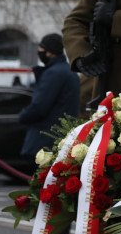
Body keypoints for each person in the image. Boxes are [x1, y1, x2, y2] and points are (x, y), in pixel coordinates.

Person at [19, 33, 80, 161]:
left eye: (41, 48)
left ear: (49, 52)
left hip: (45, 140)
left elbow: (39, 107)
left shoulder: (52, 73)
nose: (38, 51)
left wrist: (23, 116)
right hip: (61, 137)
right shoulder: (69, 71)